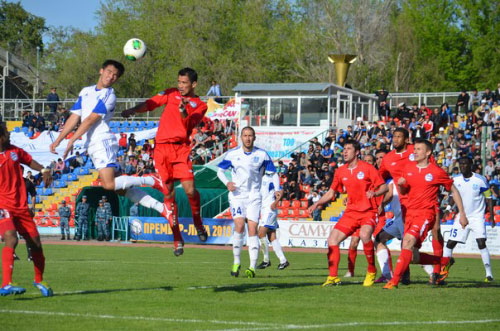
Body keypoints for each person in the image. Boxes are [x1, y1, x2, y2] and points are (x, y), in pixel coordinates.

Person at [49, 60, 172, 248]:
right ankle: (160, 208)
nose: (111, 76)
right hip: (93, 144)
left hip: (103, 141)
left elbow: (90, 119)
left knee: (108, 185)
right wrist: (59, 140)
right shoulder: (86, 91)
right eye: (109, 72)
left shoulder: (109, 95)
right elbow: (75, 116)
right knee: (120, 189)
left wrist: (73, 139)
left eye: (115, 75)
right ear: (101, 70)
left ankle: (151, 180)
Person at [121, 67, 209, 256]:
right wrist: (132, 110)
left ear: (193, 84)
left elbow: (189, 124)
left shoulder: (200, 105)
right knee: (168, 194)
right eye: (179, 82)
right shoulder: (170, 93)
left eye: (184, 83)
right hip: (161, 149)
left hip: (180, 149)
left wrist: (183, 110)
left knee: (190, 190)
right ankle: (177, 239)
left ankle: (197, 221)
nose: (181, 86)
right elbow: (151, 103)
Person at [383, 139, 467, 289]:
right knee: (413, 257)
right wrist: (401, 185)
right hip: (409, 214)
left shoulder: (436, 171)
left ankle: (393, 282)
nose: (414, 151)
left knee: (407, 242)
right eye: (414, 149)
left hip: (425, 214)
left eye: (418, 149)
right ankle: (443, 261)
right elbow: (403, 191)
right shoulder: (408, 168)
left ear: (428, 153)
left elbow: (454, 190)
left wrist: (462, 214)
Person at [309, 139, 387, 287]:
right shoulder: (340, 171)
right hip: (350, 213)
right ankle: (333, 277)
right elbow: (331, 193)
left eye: (348, 149)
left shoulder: (368, 168)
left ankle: (371, 270)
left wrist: (375, 193)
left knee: (364, 236)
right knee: (332, 239)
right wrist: (316, 203)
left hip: (368, 212)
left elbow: (384, 187)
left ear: (357, 152)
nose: (345, 151)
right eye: (344, 149)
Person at [0, 124, 53, 296]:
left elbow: (29, 161)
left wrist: (44, 170)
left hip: (21, 206)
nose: (9, 135)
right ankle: (6, 283)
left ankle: (39, 280)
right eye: (6, 133)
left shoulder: (14, 151)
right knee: (11, 238)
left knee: (36, 244)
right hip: (3, 205)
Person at [217, 126, 276, 278]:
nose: (248, 138)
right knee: (238, 225)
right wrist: (227, 183)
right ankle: (236, 262)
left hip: (254, 196)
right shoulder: (233, 154)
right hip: (237, 195)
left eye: (250, 135)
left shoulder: (262, 154)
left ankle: (252, 267)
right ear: (241, 137)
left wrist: (277, 188)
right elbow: (220, 171)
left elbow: (273, 173)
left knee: (252, 229)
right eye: (245, 135)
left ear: (254, 138)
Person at [443, 157, 495, 282]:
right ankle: (443, 271)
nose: (463, 166)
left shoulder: (480, 180)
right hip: (461, 216)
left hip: (477, 217)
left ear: (471, 165)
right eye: (461, 164)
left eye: (465, 164)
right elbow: (452, 196)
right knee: (450, 243)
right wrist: (448, 208)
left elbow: (489, 198)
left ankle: (489, 274)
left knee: (481, 243)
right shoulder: (456, 180)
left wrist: (492, 216)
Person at [256, 172, 289, 271]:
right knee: (272, 237)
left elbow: (281, 189)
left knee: (261, 233)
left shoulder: (270, 177)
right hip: (264, 210)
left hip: (270, 209)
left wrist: (276, 202)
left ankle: (266, 261)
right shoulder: (258, 179)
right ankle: (283, 261)